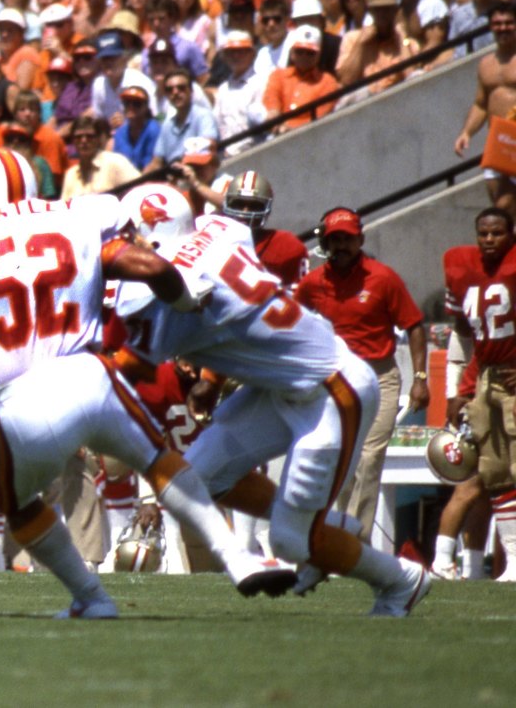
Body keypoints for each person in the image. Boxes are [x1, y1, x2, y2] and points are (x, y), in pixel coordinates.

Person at [0, 149, 295, 618]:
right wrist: (186, 303)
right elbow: (152, 268)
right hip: (92, 376)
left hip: (21, 403)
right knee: (157, 458)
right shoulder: (76, 215)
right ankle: (237, 557)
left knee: (6, 491)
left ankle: (90, 596)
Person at [112, 185, 430, 616]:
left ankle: (400, 580)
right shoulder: (220, 230)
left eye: (129, 234)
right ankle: (329, 528)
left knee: (290, 541)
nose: (122, 244)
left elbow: (126, 368)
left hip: (331, 391)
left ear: (150, 235)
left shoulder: (165, 300)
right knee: (196, 478)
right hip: (282, 386)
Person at [296, 207, 429, 539]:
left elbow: (413, 325)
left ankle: (356, 540)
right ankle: (343, 530)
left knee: (370, 456)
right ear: (325, 243)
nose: (341, 245)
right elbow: (293, 323)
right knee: (342, 458)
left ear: (360, 240)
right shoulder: (313, 283)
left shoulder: (382, 278)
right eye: (335, 239)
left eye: (348, 239)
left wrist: (421, 378)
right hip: (336, 380)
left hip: (379, 376)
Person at [442, 207, 516, 581]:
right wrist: (459, 389)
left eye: (497, 233)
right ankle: (513, 563)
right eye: (483, 233)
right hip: (487, 377)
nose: (489, 240)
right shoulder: (460, 266)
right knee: (495, 472)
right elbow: (468, 335)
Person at [454, 1, 516, 221]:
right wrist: (467, 133)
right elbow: (481, 103)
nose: (503, 28)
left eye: (509, 23)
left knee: (505, 205)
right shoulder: (486, 64)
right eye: (497, 24)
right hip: (498, 144)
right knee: (501, 211)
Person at [221, 171, 309, 289]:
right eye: (239, 204)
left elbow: (300, 298)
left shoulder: (287, 246)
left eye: (254, 205)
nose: (245, 213)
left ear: (267, 209)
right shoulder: (212, 242)